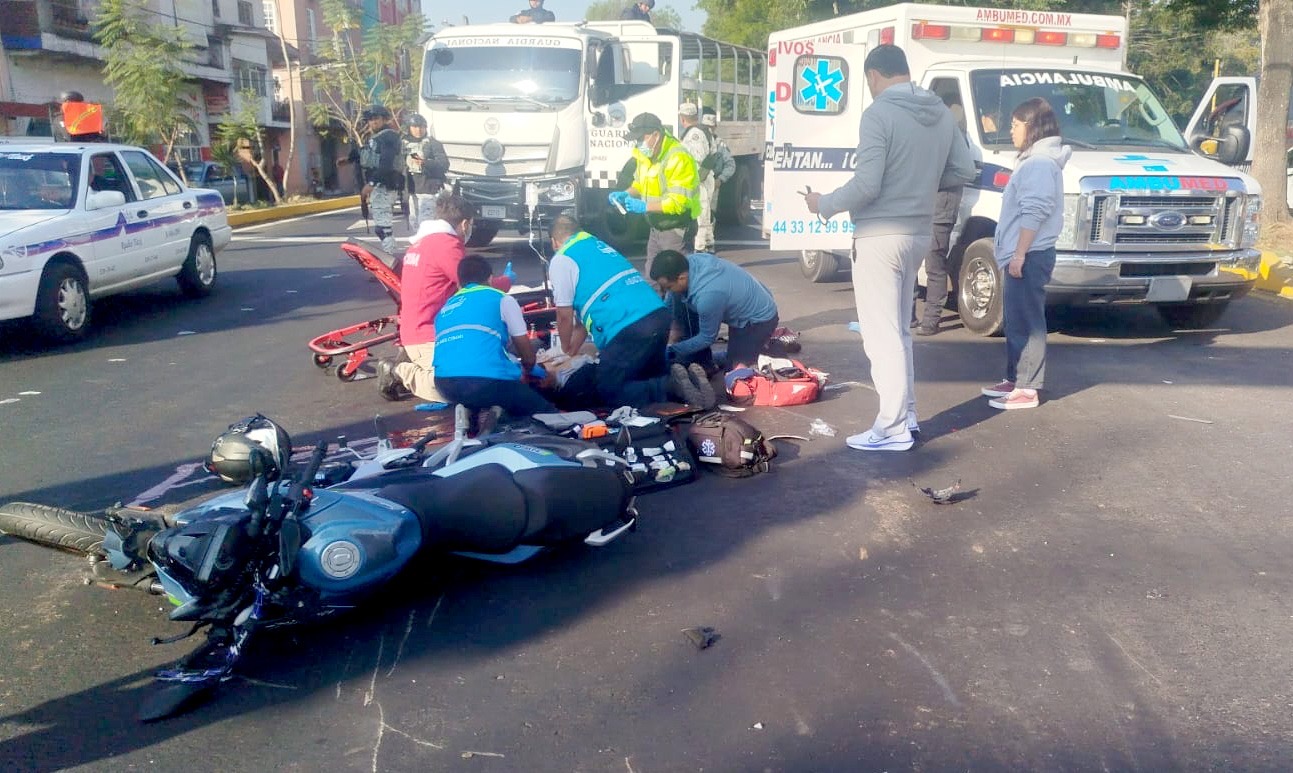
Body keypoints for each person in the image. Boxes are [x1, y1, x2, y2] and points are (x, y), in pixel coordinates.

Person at [804, 44, 975, 452]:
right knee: (899, 331)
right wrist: (921, 181)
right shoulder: (939, 111)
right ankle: (907, 416)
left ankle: (892, 427)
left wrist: (822, 204)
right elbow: (964, 169)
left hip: (879, 235)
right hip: (918, 232)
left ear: (873, 76)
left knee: (882, 337)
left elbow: (867, 185)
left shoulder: (878, 114)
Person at [548, 212, 707, 408]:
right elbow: (582, 321)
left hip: (628, 326)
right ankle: (683, 383)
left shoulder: (562, 259)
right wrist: (572, 349)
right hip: (658, 315)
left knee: (608, 389)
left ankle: (668, 386)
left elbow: (563, 316)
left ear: (554, 242)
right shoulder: (597, 246)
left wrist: (563, 349)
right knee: (644, 374)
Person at [981, 98, 1070, 411]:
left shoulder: (1039, 164)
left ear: (1031, 127)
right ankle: (1015, 378)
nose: (1011, 130)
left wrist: (1019, 254)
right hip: (1024, 254)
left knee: (1028, 321)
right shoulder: (1035, 161)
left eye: (1016, 124)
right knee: (1016, 320)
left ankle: (1027, 388)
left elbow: (1034, 212)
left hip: (1030, 254)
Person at [377, 193, 476, 403]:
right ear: (465, 224)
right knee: (459, 390)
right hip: (428, 334)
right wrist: (506, 282)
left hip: (420, 328)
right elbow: (472, 284)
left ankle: (412, 362)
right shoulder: (446, 245)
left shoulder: (424, 242)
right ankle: (399, 371)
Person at [433, 256, 555, 417]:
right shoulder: (501, 299)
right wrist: (537, 373)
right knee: (545, 412)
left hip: (444, 385)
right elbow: (527, 355)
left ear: (459, 283)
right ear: (490, 279)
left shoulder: (445, 308)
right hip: (484, 382)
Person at [650, 249, 778, 375]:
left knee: (735, 377)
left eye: (668, 287)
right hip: (750, 300)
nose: (665, 291)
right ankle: (703, 362)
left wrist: (671, 351)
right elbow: (670, 301)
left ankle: (765, 350)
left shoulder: (708, 296)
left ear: (682, 278)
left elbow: (707, 338)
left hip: (758, 321)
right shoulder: (688, 262)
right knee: (677, 298)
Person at [608, 112, 700, 278]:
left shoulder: (678, 157)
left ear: (656, 135)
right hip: (656, 227)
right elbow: (640, 183)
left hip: (676, 229)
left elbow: (678, 203)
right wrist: (625, 194)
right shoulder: (646, 155)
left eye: (640, 139)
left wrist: (644, 206)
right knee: (653, 278)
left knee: (677, 282)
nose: (638, 144)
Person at [915, 98, 969, 336]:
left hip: (940, 204)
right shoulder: (936, 133)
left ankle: (930, 320)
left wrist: (930, 179)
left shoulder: (951, 135)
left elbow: (963, 171)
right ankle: (910, 317)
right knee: (913, 260)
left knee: (933, 262)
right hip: (926, 203)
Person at [340, 105, 402, 253]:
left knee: (383, 228)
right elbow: (366, 153)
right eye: (370, 120)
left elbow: (386, 162)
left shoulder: (388, 136)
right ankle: (390, 255)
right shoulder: (376, 138)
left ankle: (390, 258)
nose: (373, 122)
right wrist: (348, 159)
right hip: (380, 185)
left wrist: (372, 183)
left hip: (384, 185)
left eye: (376, 119)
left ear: (384, 119)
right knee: (382, 227)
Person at [677, 103, 716, 254]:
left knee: (700, 215)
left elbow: (699, 156)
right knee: (704, 214)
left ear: (682, 118)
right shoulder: (702, 130)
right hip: (704, 176)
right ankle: (709, 243)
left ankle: (700, 248)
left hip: (699, 178)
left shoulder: (694, 133)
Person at [403, 113, 450, 231]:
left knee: (426, 224)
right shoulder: (403, 144)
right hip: (412, 190)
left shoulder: (432, 144)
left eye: (421, 127)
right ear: (409, 128)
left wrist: (425, 162)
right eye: (415, 127)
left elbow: (444, 165)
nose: (418, 130)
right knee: (414, 223)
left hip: (429, 190)